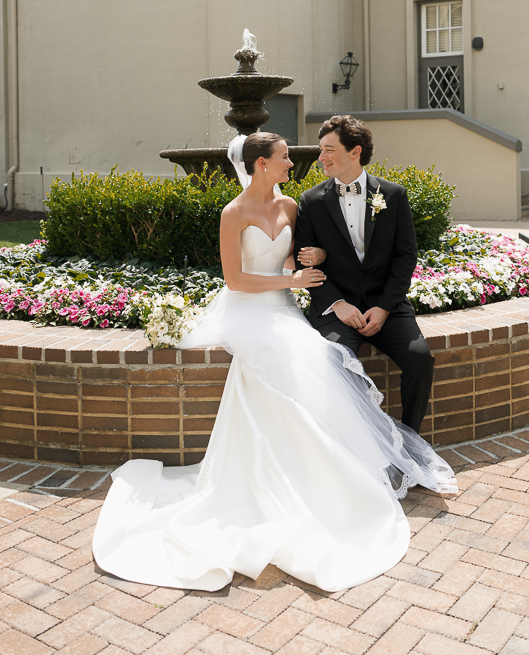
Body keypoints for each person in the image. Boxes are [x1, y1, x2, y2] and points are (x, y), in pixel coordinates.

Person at [92, 132, 455, 594]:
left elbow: (295, 259)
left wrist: (312, 260)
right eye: (284, 158)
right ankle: (303, 474)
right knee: (298, 357)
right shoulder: (233, 213)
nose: (293, 163)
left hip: (285, 307)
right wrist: (299, 278)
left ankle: (341, 465)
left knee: (318, 355)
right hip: (249, 311)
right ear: (261, 163)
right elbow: (236, 279)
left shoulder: (290, 208)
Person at [294, 115, 433, 433]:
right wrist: (338, 304)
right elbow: (306, 262)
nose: (321, 157)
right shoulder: (311, 201)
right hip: (336, 310)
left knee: (419, 359)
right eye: (321, 149)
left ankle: (410, 441)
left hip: (388, 308)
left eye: (329, 149)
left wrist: (385, 307)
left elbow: (405, 256)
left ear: (354, 151)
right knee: (335, 363)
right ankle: (353, 443)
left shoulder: (393, 195)